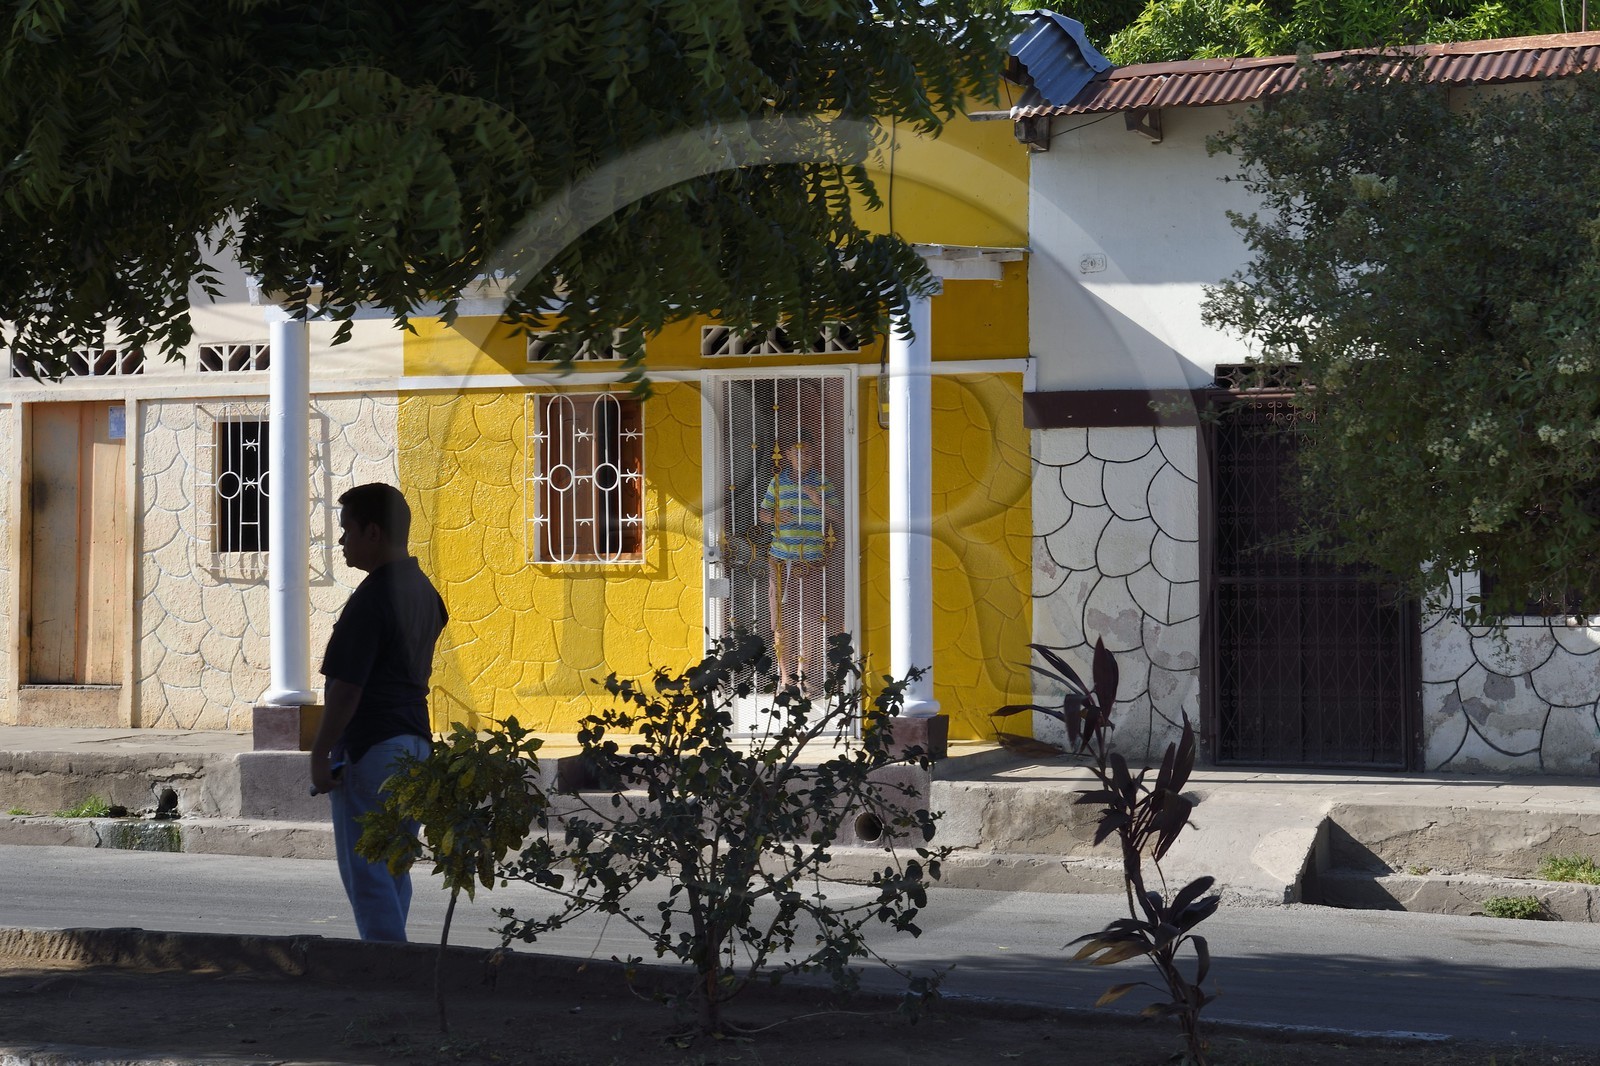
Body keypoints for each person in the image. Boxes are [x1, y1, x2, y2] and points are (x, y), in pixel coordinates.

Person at [310, 483, 447, 942]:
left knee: (369, 873)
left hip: (373, 747)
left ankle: (386, 970)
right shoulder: (424, 591)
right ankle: (396, 964)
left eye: (347, 530)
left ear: (372, 531)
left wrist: (320, 751)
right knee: (393, 866)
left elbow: (346, 689)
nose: (342, 542)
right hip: (414, 743)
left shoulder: (372, 599)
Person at [758, 438, 840, 691]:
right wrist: (775, 517)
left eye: (808, 452)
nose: (802, 457)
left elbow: (839, 516)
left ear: (814, 456)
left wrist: (818, 501)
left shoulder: (823, 482)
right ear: (788, 455)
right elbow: (762, 514)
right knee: (781, 620)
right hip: (781, 561)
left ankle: (805, 676)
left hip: (812, 562)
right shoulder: (778, 482)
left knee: (813, 619)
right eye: (797, 452)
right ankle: (786, 678)